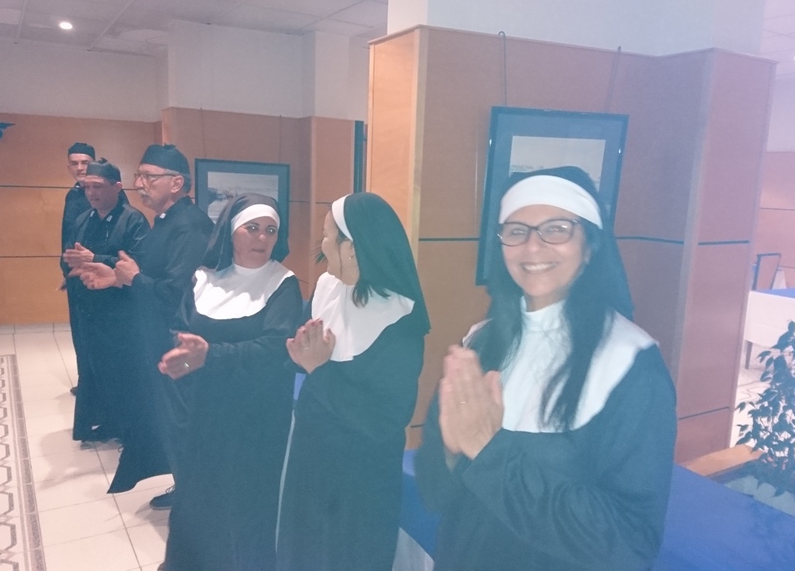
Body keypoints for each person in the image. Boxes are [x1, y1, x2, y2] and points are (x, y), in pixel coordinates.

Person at [414, 167, 677, 571]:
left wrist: (489, 452)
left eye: (556, 229)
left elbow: (630, 540)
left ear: (589, 247)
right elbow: (435, 496)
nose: (532, 247)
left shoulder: (632, 364)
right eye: (516, 231)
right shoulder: (479, 344)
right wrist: (448, 453)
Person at [276, 192, 431, 571]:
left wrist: (320, 370)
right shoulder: (327, 288)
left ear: (352, 247)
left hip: (361, 476)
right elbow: (305, 355)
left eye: (328, 235)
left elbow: (386, 417)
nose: (322, 244)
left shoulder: (400, 319)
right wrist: (300, 355)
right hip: (311, 455)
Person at [156, 194, 303, 571]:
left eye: (271, 230)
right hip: (204, 411)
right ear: (230, 232)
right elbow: (179, 326)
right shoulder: (203, 277)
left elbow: (276, 348)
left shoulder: (282, 284)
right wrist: (181, 349)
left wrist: (211, 355)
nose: (262, 238)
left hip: (256, 419)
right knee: (198, 499)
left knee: (245, 508)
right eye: (252, 228)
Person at [74, 144, 215, 508]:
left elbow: (176, 293)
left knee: (181, 420)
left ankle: (194, 493)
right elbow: (149, 274)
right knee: (164, 419)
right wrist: (116, 277)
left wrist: (133, 279)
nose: (139, 184)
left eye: (149, 177)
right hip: (155, 338)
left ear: (176, 183)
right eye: (139, 176)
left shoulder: (191, 226)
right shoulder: (166, 220)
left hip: (177, 342)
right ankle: (185, 485)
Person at [64, 159, 149, 442]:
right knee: (94, 369)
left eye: (98, 187)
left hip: (121, 311)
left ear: (117, 187)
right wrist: (72, 266)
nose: (91, 193)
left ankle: (129, 430)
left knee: (122, 372)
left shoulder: (133, 220)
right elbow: (72, 255)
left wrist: (96, 259)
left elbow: (139, 264)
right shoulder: (83, 219)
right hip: (88, 309)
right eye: (87, 187)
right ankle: (105, 421)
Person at [61, 142, 95, 398]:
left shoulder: (106, 193)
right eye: (75, 163)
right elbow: (67, 237)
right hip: (74, 276)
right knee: (80, 333)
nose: (80, 168)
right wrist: (66, 270)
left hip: (96, 275)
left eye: (85, 162)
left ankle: (95, 383)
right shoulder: (73, 195)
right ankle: (86, 381)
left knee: (94, 334)